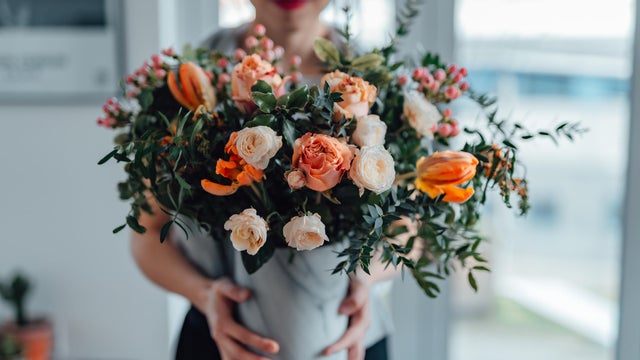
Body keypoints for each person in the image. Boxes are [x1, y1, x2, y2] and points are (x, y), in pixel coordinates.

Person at [130, 1, 408, 359]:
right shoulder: (191, 77)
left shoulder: (376, 80)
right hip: (221, 339)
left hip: (347, 336)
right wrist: (204, 294)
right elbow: (147, 231)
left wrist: (365, 279)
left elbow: (411, 226)